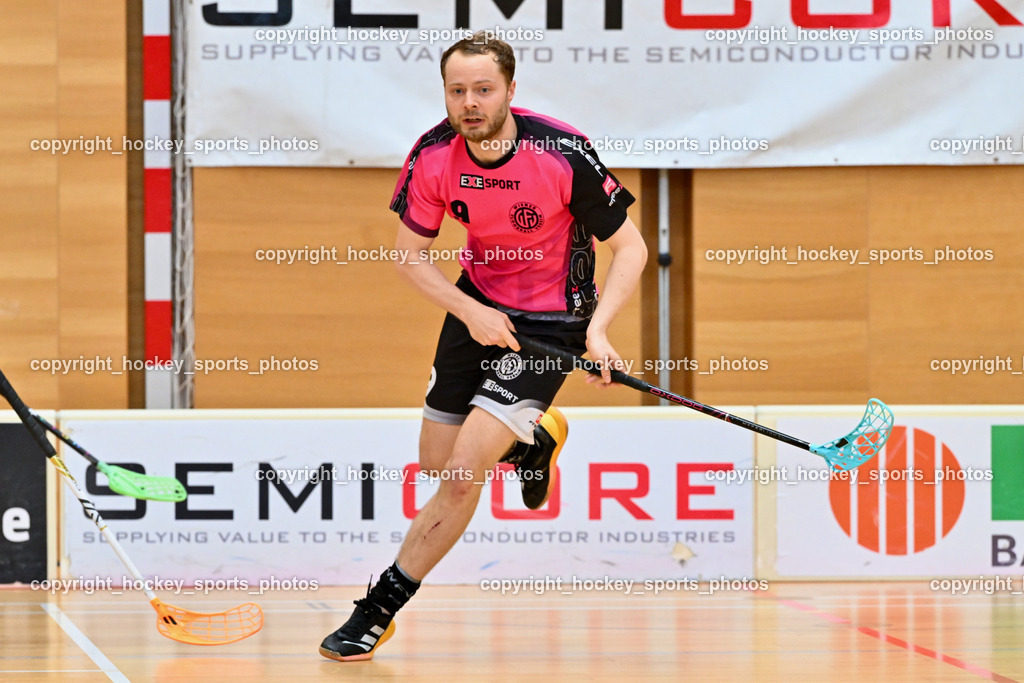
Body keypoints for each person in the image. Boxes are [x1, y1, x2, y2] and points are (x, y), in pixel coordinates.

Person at [319, 31, 647, 662]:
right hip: (478, 306)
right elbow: (409, 259)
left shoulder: (563, 152)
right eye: (457, 90)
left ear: (510, 92)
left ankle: (378, 608)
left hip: (552, 323)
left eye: (483, 89)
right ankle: (538, 434)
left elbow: (629, 248)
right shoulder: (434, 155)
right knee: (439, 468)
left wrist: (599, 332)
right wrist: (472, 312)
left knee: (462, 479)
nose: (469, 102)